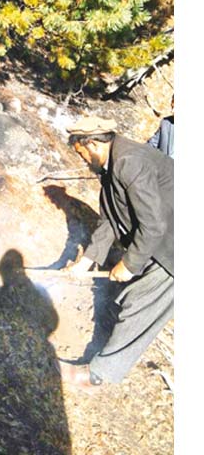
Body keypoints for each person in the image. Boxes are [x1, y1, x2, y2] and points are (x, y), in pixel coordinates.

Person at [60, 116, 173, 389]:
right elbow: (110, 219)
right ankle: (109, 346)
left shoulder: (128, 162)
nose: (83, 160)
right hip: (165, 239)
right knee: (133, 299)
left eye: (81, 153)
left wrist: (130, 264)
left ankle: (98, 374)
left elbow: (154, 224)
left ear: (92, 144)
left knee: (140, 306)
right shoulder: (111, 166)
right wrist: (86, 261)